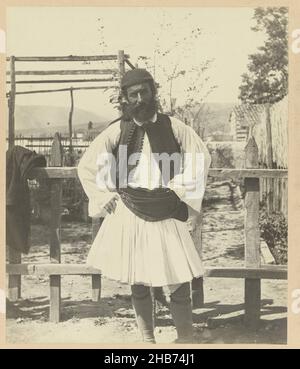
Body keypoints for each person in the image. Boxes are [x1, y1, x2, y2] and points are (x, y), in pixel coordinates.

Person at [77, 68, 211, 344]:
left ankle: (185, 338)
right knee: (137, 278)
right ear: (125, 99)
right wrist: (105, 195)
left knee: (177, 277)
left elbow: (199, 158)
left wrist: (181, 190)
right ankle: (147, 340)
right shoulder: (117, 130)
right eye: (133, 94)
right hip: (131, 209)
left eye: (144, 92)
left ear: (153, 92)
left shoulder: (174, 127)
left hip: (167, 209)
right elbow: (89, 165)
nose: (140, 99)